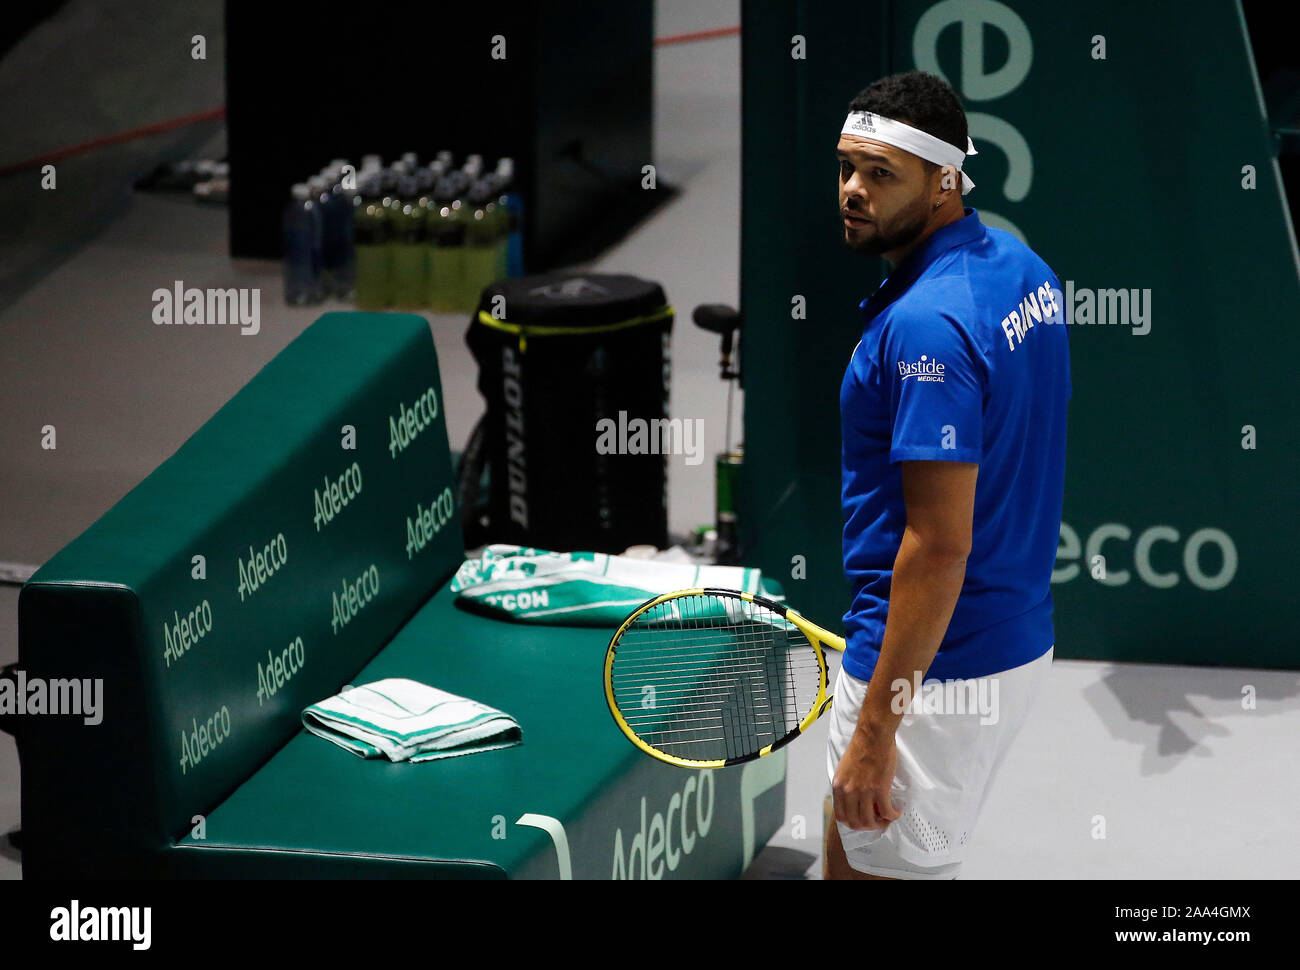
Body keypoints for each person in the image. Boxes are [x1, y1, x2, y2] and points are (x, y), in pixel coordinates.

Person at [827, 70, 1071, 880]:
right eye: (847, 168)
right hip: (1008, 641)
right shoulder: (1020, 266)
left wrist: (876, 729)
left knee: (874, 855)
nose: (853, 191)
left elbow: (938, 546)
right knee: (850, 848)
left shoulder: (929, 325)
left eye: (881, 174)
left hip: (934, 674)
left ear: (944, 181)